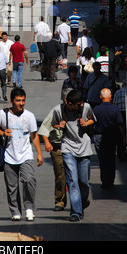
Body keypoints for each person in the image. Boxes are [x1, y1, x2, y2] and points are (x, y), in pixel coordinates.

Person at [0, 87, 43, 221]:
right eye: (18, 100)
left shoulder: (29, 116)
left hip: (26, 154)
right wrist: (3, 133)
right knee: (11, 186)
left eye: (23, 100)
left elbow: (34, 135)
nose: (21, 103)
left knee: (29, 180)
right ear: (12, 101)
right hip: (9, 155)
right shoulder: (3, 114)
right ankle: (15, 211)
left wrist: (39, 153)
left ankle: (29, 208)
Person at [52, 89, 95, 222]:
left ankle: (81, 202)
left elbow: (92, 119)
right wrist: (59, 125)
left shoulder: (86, 107)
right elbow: (53, 123)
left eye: (81, 103)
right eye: (77, 104)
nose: (80, 106)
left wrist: (86, 123)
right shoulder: (58, 110)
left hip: (84, 148)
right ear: (69, 103)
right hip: (68, 147)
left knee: (84, 182)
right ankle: (76, 212)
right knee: (72, 181)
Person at [38, 88, 72, 211]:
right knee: (60, 176)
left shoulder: (79, 110)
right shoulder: (57, 110)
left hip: (74, 148)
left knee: (76, 176)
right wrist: (47, 143)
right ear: (65, 100)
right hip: (58, 147)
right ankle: (59, 201)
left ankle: (77, 200)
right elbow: (44, 128)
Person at [93, 89, 126, 189]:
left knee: (102, 160)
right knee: (111, 159)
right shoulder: (115, 109)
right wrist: (123, 137)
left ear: (100, 97)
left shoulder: (95, 109)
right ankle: (111, 181)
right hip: (112, 136)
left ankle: (105, 181)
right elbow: (120, 124)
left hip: (99, 136)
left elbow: (91, 122)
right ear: (110, 97)